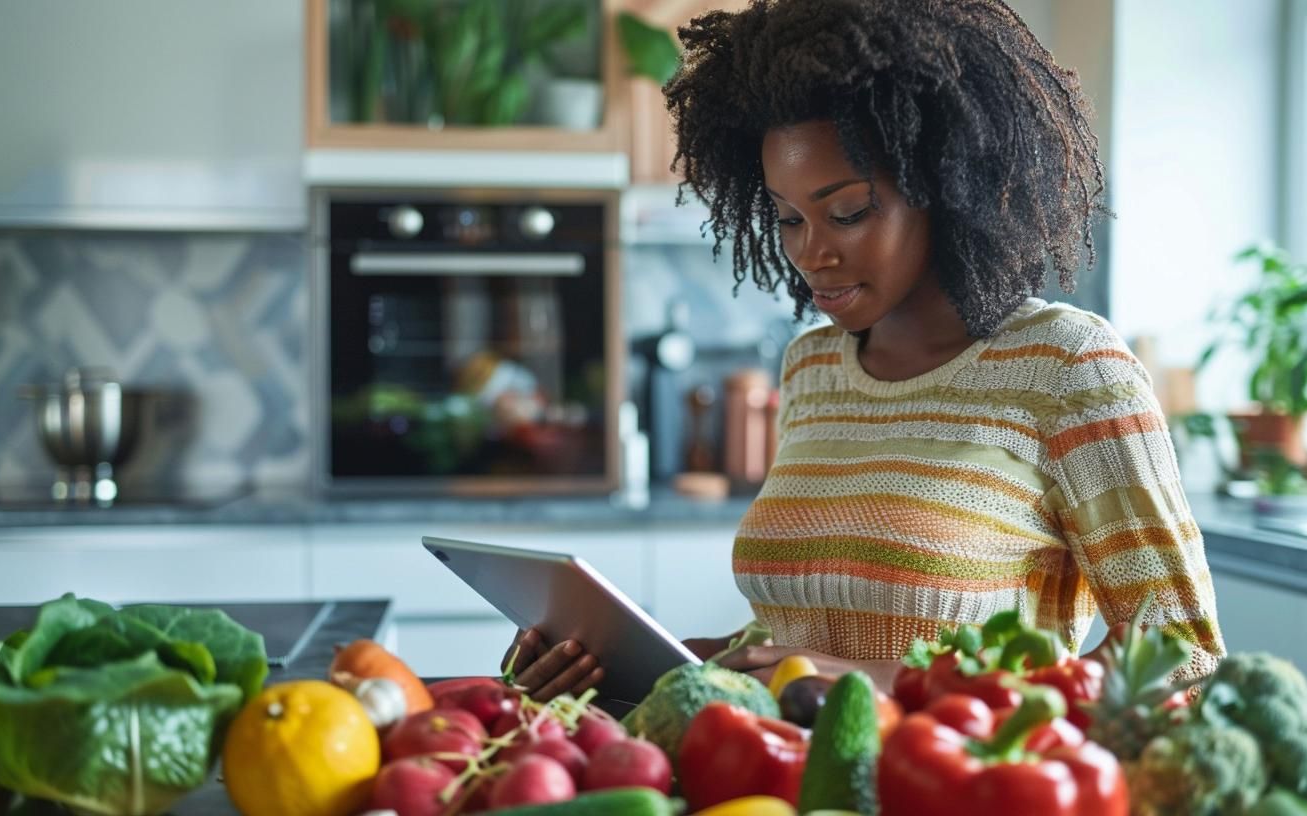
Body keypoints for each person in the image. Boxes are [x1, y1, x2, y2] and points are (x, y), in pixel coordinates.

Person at [506, 0, 1225, 701]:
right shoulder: (814, 366)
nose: (811, 253)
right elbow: (808, 639)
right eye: (788, 218)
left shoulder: (1067, 367)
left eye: (847, 212)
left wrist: (895, 686)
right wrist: (633, 659)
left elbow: (1178, 651)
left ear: (946, 185)